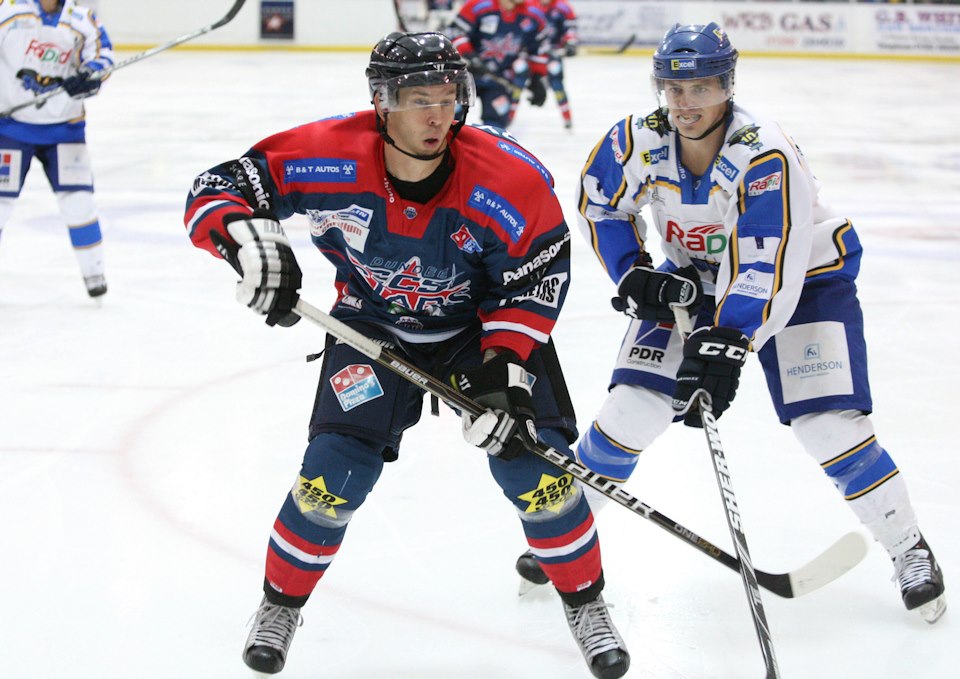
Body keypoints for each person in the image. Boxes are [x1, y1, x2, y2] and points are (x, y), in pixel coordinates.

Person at [183, 32, 630, 678]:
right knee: (329, 480)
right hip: (373, 331)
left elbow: (537, 276)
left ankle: (587, 604)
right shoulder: (328, 155)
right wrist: (245, 239)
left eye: (448, 97)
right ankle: (280, 604)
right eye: (419, 98)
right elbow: (220, 186)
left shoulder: (509, 179)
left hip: (479, 333)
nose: (437, 116)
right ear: (381, 102)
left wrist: (504, 367)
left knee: (541, 474)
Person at [517, 22, 947, 625]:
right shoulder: (635, 140)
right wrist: (634, 273)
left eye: (704, 87)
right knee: (633, 408)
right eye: (674, 87)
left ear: (727, 85)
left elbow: (769, 257)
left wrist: (728, 343)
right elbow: (600, 204)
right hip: (698, 279)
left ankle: (908, 548)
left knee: (828, 424)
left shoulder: (762, 151)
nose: (687, 102)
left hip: (806, 281)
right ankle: (568, 537)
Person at [0, 0, 113, 299]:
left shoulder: (82, 19)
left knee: (79, 203)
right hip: (11, 129)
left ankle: (94, 272)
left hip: (65, 130)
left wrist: (88, 77)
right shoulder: (9, 11)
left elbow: (104, 59)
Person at [447, 0, 549, 129]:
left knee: (496, 128)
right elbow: (454, 32)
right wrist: (469, 55)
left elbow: (539, 49)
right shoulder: (479, 6)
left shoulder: (534, 15)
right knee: (449, 123)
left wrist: (538, 78)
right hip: (463, 77)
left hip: (499, 80)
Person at [535, 0, 578, 130]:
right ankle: (506, 118)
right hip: (534, 55)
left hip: (553, 53)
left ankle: (567, 118)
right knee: (517, 83)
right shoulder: (530, 5)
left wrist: (570, 42)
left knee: (557, 84)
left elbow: (570, 28)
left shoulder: (563, 7)